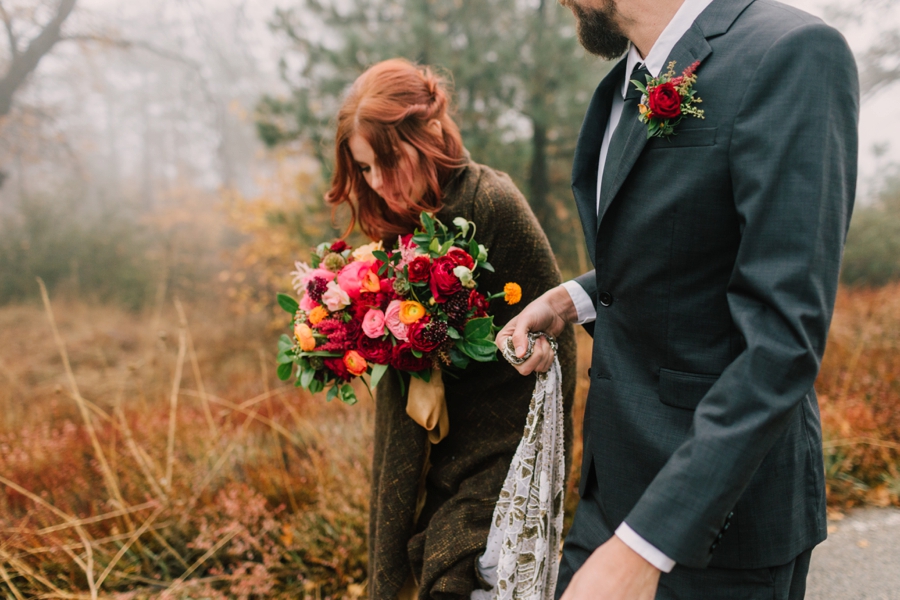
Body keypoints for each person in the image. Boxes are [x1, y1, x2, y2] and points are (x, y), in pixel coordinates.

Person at [497, 0, 859, 598]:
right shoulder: (624, 82)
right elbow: (691, 248)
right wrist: (570, 301)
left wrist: (648, 545)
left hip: (719, 523)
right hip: (610, 491)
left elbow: (782, 338)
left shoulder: (792, 53)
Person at [324, 58, 577, 599]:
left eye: (388, 161)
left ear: (431, 130)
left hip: (503, 460)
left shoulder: (489, 203)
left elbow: (559, 348)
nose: (380, 183)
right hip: (438, 459)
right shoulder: (406, 228)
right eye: (366, 169)